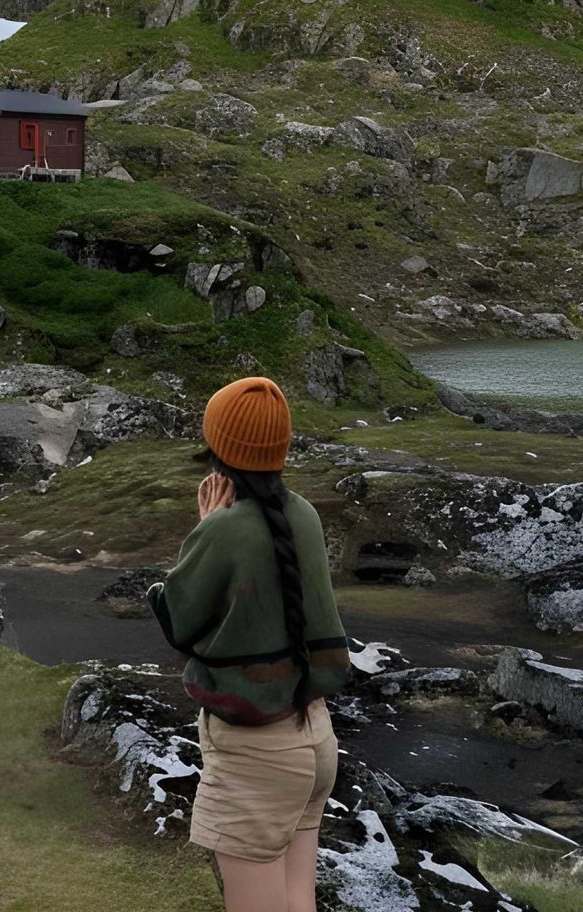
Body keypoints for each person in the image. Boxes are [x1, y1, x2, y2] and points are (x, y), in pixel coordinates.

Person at [147, 376, 352, 912]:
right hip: (314, 737)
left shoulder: (227, 529)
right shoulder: (303, 513)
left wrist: (206, 531)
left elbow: (179, 620)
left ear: (220, 450)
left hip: (258, 757)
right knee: (297, 899)